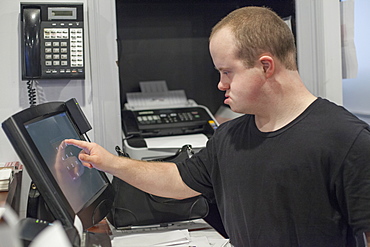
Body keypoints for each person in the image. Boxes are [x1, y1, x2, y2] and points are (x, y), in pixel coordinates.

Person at [65, 6, 370, 246]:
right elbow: (175, 180)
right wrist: (108, 162)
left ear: (265, 66)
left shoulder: (346, 140)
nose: (221, 84)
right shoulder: (229, 138)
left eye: (227, 72)